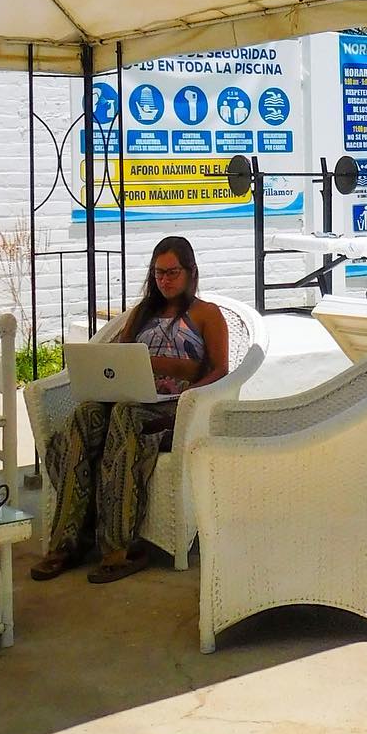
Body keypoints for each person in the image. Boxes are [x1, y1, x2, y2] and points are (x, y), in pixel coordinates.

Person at [32, 235, 228, 584]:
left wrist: (187, 391)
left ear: (190, 272)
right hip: (129, 399)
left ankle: (120, 546)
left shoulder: (206, 314)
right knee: (84, 416)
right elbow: (118, 362)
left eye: (172, 272)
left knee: (125, 415)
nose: (165, 280)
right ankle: (66, 541)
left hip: (173, 410)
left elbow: (219, 369)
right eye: (158, 273)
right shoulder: (140, 314)